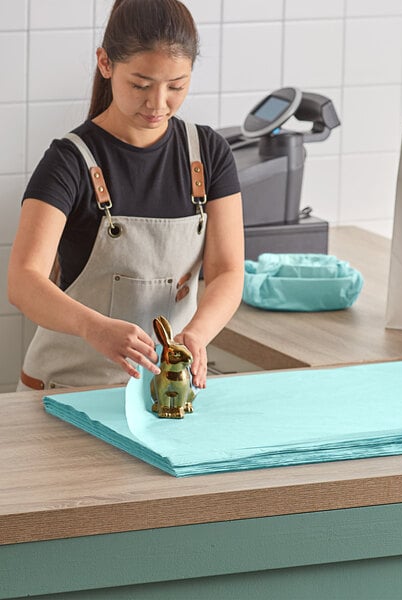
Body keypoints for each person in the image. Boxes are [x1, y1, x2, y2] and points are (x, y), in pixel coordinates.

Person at [8, 0, 244, 392]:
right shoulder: (69, 161)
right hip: (64, 390)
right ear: (105, 64)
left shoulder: (209, 153)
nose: (158, 103)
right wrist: (92, 327)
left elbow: (227, 271)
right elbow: (22, 281)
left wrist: (198, 334)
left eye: (176, 86)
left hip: (164, 394)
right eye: (140, 84)